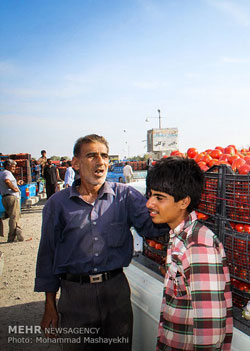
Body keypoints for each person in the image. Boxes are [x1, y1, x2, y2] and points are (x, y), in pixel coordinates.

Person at [35, 134, 168, 350]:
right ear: (76, 163)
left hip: (115, 292)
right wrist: (50, 306)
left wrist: (176, 208)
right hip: (75, 295)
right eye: (92, 155)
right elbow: (47, 255)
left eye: (104, 155)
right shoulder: (57, 205)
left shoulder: (126, 197)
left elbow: (151, 227)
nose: (100, 161)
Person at [146, 157, 232, 350]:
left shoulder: (198, 245)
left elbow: (210, 332)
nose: (149, 204)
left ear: (184, 202)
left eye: (159, 198)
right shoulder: (180, 237)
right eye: (150, 195)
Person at [0, 160, 25, 242]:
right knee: (14, 217)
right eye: (13, 166)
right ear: (7, 166)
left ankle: (17, 233)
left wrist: (16, 184)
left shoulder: (2, 173)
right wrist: (14, 189)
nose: (14, 168)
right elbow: (7, 181)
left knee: (13, 216)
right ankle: (11, 237)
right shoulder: (7, 173)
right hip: (11, 197)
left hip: (5, 197)